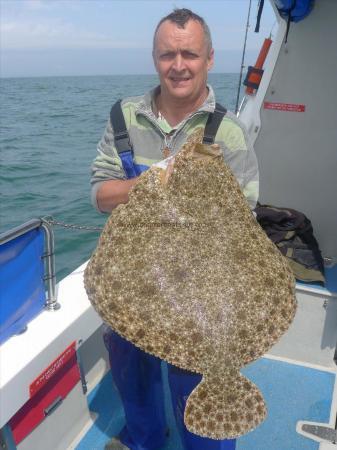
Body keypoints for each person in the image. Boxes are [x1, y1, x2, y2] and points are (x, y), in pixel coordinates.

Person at [90, 8, 259, 450]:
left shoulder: (230, 133)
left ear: (209, 59)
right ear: (154, 58)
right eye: (168, 54)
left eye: (190, 53)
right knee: (131, 374)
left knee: (194, 387)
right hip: (134, 284)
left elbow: (245, 227)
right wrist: (154, 182)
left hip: (199, 294)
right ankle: (145, 440)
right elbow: (101, 195)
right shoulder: (123, 117)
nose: (178, 65)